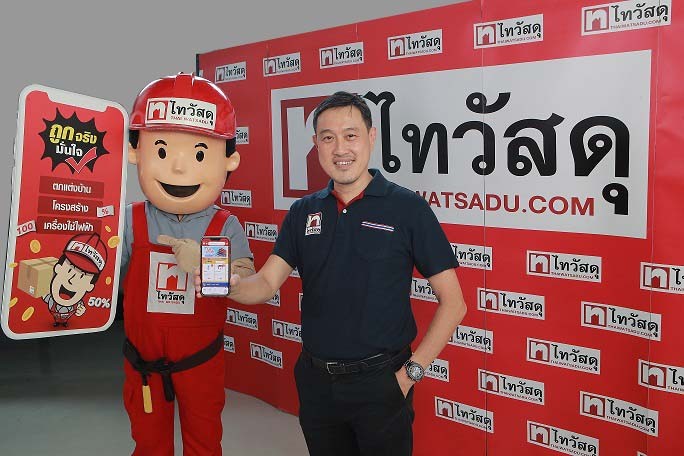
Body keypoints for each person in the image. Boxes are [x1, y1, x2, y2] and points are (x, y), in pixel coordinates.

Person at [196, 91, 466, 455]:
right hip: (317, 384)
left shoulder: (408, 208)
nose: (340, 148)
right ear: (316, 145)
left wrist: (409, 375)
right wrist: (230, 286)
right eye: (328, 138)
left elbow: (454, 303)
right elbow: (266, 283)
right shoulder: (303, 212)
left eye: (350, 135)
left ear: (371, 137)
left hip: (382, 384)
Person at [121, 73, 255, 456]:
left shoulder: (225, 225)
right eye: (162, 151)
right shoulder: (130, 219)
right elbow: (103, 279)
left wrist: (206, 264)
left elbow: (245, 280)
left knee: (204, 442)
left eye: (199, 155)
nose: (179, 169)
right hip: (143, 366)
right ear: (136, 152)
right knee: (149, 444)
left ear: (228, 159)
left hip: (201, 363)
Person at [44, 232, 108, 327]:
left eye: (82, 276)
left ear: (90, 286)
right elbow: (43, 295)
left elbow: (80, 308)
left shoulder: (78, 304)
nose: (72, 280)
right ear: (57, 268)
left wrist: (81, 310)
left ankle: (64, 323)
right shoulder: (50, 297)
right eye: (69, 270)